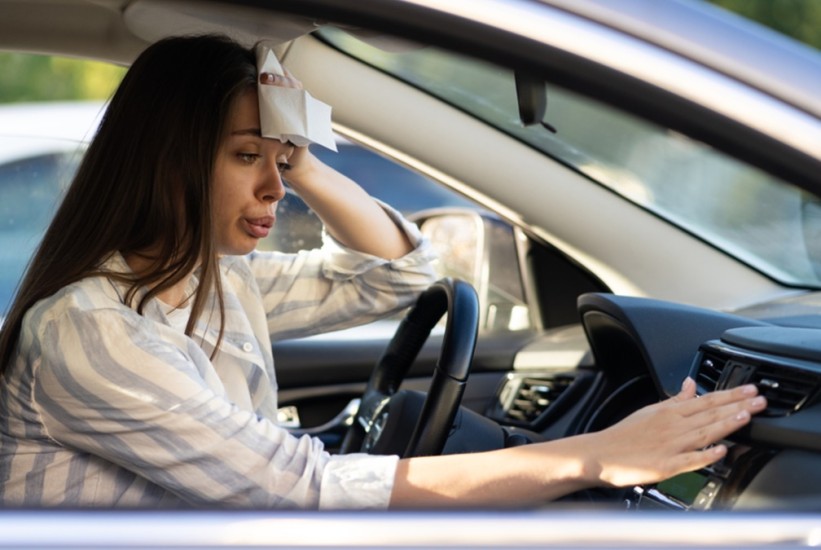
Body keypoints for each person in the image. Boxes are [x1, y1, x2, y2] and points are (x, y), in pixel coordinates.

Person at [0, 35, 766, 510]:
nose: (274, 187)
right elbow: (302, 491)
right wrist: (592, 457)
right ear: (166, 164)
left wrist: (302, 162)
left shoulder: (211, 281)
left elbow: (392, 279)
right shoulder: (94, 330)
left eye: (281, 161)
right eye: (245, 158)